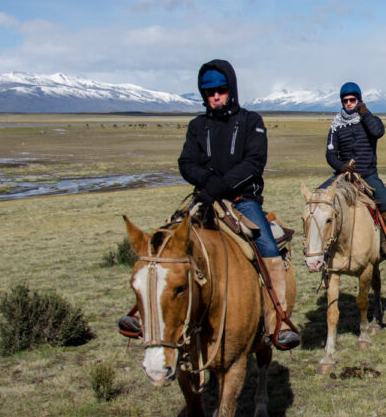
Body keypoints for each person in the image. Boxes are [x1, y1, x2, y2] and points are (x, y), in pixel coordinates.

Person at [119, 59, 300, 350]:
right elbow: (186, 162)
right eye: (209, 92)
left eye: (220, 90)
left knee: (267, 246)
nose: (214, 96)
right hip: (203, 200)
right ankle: (143, 314)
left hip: (243, 202)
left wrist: (220, 184)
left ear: (231, 89)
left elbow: (254, 163)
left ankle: (277, 320)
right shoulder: (197, 126)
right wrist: (206, 181)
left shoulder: (251, 122)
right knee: (163, 248)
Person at [319, 82, 386, 262]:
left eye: (352, 99)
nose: (349, 103)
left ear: (359, 100)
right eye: (345, 100)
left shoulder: (369, 119)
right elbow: (330, 153)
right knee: (318, 198)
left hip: (367, 174)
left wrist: (365, 113)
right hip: (344, 175)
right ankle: (322, 247)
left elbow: (378, 131)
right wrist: (341, 167)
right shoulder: (336, 125)